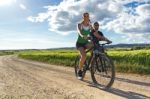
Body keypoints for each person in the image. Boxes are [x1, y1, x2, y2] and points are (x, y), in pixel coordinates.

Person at [76, 12, 93, 80]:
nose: (86, 17)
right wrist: (82, 35)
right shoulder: (79, 24)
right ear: (83, 17)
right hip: (79, 43)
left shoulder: (90, 25)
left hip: (86, 43)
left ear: (89, 17)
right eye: (85, 16)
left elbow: (93, 32)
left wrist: (99, 38)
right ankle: (80, 70)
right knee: (84, 56)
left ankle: (92, 64)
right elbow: (79, 31)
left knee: (94, 48)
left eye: (87, 16)